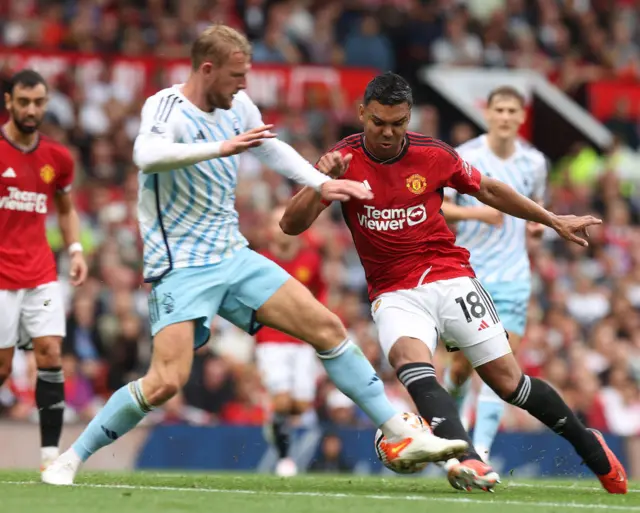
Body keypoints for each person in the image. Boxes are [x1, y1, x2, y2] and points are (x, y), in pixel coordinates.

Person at [42, 26, 467, 486]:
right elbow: (147, 155)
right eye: (236, 76)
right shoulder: (167, 107)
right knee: (166, 380)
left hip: (232, 254)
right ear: (208, 69)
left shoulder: (237, 106)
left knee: (327, 328)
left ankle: (398, 430)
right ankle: (71, 458)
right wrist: (222, 147)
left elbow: (268, 146)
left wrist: (321, 183)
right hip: (181, 265)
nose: (243, 86)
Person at [279, 72, 627, 494]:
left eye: (398, 123)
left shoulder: (434, 154)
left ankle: (590, 447)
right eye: (378, 123)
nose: (388, 133)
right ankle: (468, 460)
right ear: (361, 114)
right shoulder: (340, 159)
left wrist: (551, 219)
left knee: (509, 383)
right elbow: (290, 225)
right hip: (393, 291)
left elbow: (491, 190)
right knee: (412, 364)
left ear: (409, 117)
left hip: (451, 277)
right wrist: (320, 184)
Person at [440, 86, 546, 462]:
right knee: (461, 367)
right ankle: (449, 433)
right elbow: (442, 210)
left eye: (511, 110)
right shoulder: (466, 156)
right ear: (487, 114)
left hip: (514, 277)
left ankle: (479, 451)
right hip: (470, 277)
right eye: (498, 109)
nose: (504, 116)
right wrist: (478, 213)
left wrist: (534, 226)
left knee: (502, 367)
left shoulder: (534, 163)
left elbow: (535, 206)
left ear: (521, 117)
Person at [0, 69, 88, 472]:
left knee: (51, 353)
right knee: (2, 367)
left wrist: (74, 249)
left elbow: (66, 209)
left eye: (38, 102)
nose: (31, 109)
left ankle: (50, 458)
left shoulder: (58, 157)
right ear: (9, 102)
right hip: (1, 275)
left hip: (40, 272)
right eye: (23, 102)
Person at [256, 206, 325, 477]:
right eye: (275, 222)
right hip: (271, 338)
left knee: (300, 407)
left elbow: (320, 293)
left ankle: (274, 422)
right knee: (283, 402)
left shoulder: (310, 260)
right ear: (268, 230)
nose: (282, 226)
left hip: (302, 339)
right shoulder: (261, 261)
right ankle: (285, 458)